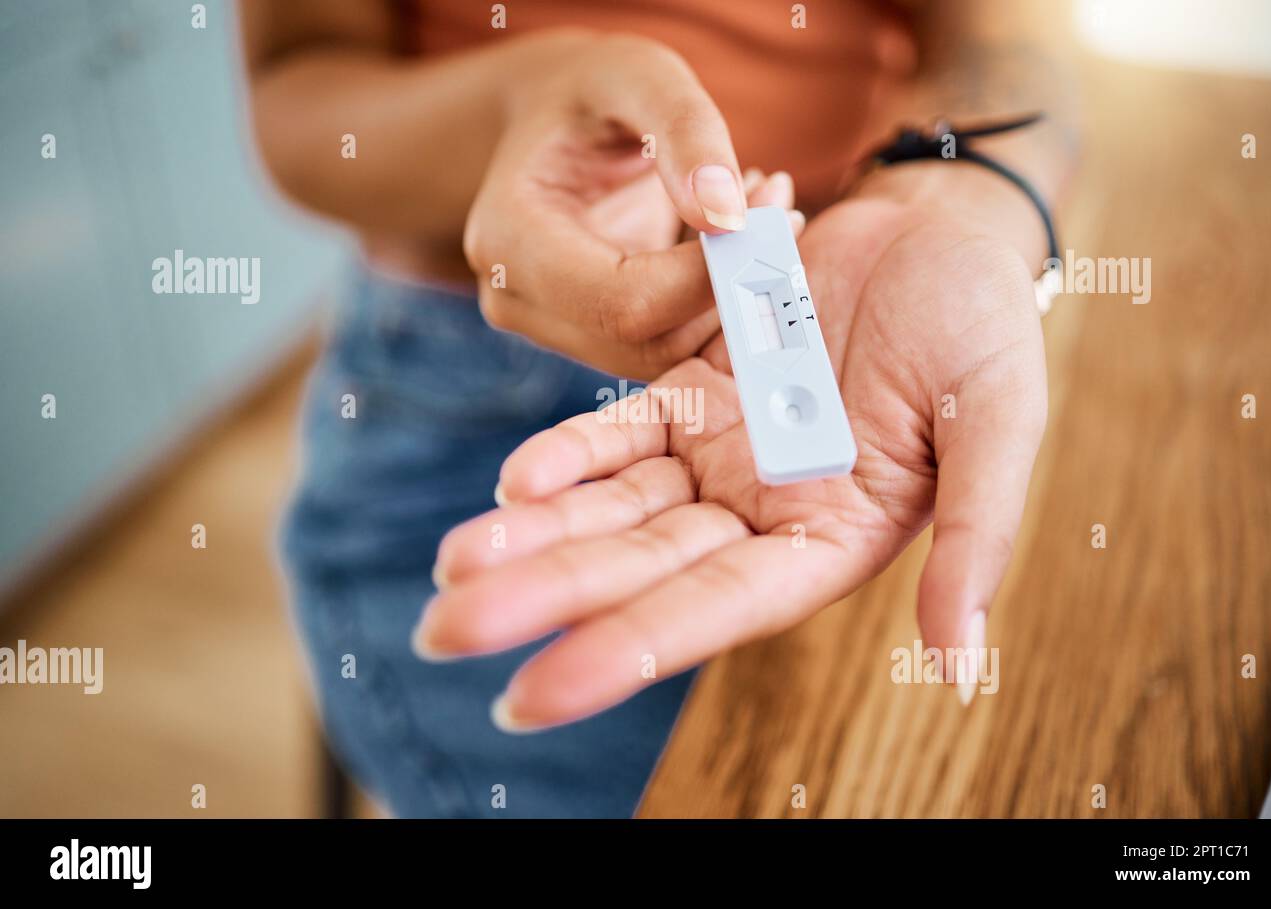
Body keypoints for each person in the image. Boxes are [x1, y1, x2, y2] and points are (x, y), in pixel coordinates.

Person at [240, 0, 1076, 817]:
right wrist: (519, 102)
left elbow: (1011, 25)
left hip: (856, 334)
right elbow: (297, 83)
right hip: (466, 389)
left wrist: (965, 193)